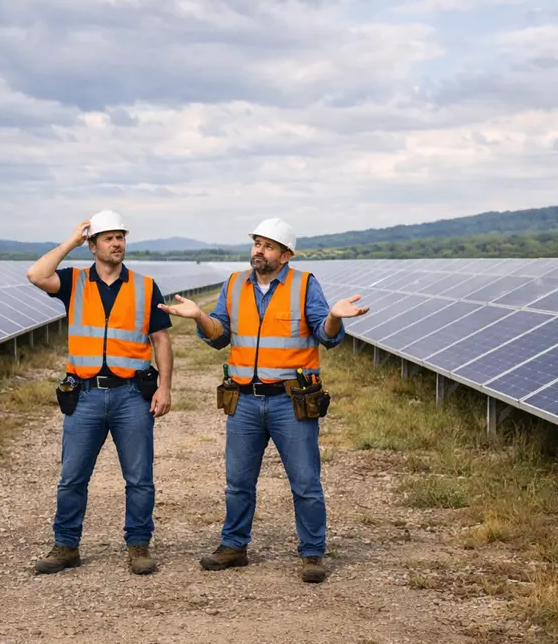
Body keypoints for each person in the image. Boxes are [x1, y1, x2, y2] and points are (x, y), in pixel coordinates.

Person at [159, 217, 368, 583]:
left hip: (292, 400)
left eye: (268, 245)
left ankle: (313, 552)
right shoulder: (235, 283)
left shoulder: (304, 285)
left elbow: (326, 334)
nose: (259, 250)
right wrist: (200, 318)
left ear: (286, 255)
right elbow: (219, 334)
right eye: (256, 243)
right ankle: (234, 545)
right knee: (238, 481)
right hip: (244, 400)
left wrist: (335, 317)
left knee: (305, 481)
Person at [26, 209, 174, 576]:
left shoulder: (144, 286)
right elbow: (35, 274)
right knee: (73, 476)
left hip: (132, 395)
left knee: (139, 477)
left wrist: (165, 387)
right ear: (92, 246)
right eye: (108, 238)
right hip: (86, 394)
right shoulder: (74, 281)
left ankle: (139, 546)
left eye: (120, 237)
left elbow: (161, 340)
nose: (117, 243)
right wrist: (70, 242)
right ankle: (66, 545)